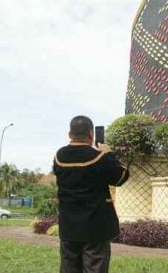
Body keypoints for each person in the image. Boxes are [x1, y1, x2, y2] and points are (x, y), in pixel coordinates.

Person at [53, 115, 130, 273]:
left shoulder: (59, 156)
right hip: (95, 226)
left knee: (69, 268)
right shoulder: (99, 157)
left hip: (68, 226)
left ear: (69, 134)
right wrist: (108, 153)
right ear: (91, 134)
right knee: (95, 268)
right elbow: (121, 176)